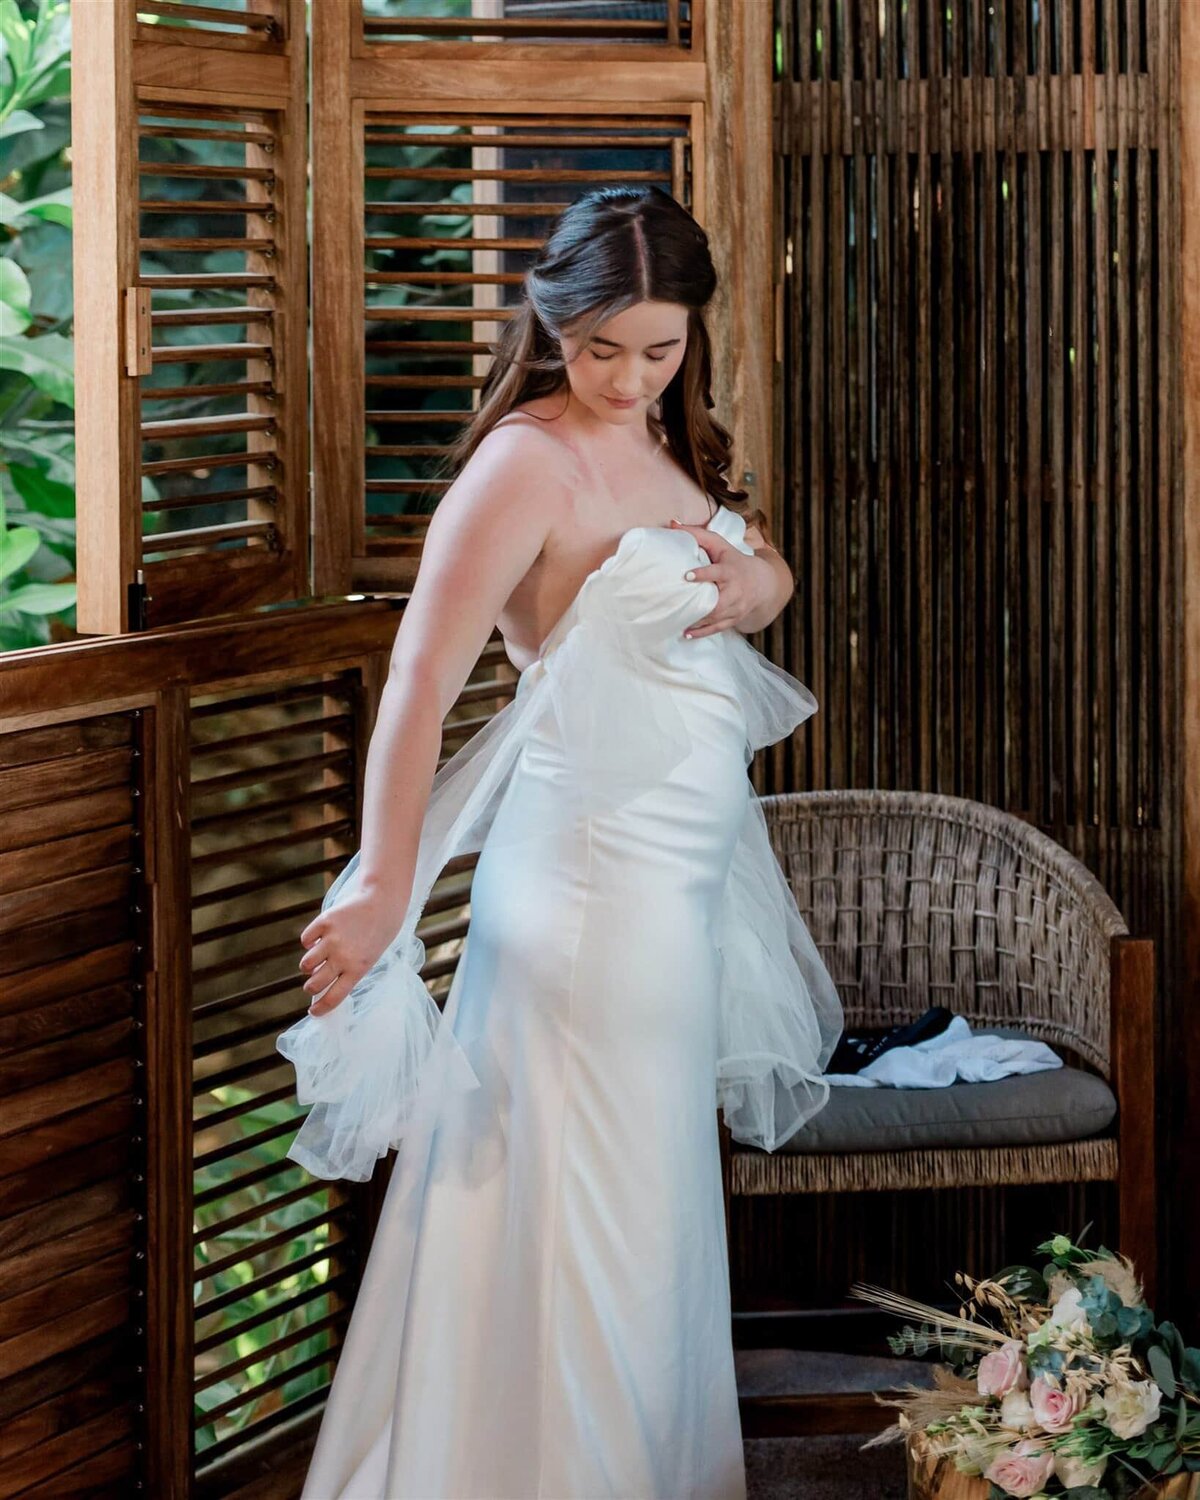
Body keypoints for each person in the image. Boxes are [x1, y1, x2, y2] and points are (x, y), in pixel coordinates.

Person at [276, 185, 844, 1500]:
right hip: (584, 892)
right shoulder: (526, 462)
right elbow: (420, 680)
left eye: (659, 348)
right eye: (603, 349)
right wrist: (380, 883)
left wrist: (761, 583)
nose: (629, 375)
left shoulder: (677, 445)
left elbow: (751, 569)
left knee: (644, 1211)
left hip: (676, 891)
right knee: (578, 1201)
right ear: (551, 325)